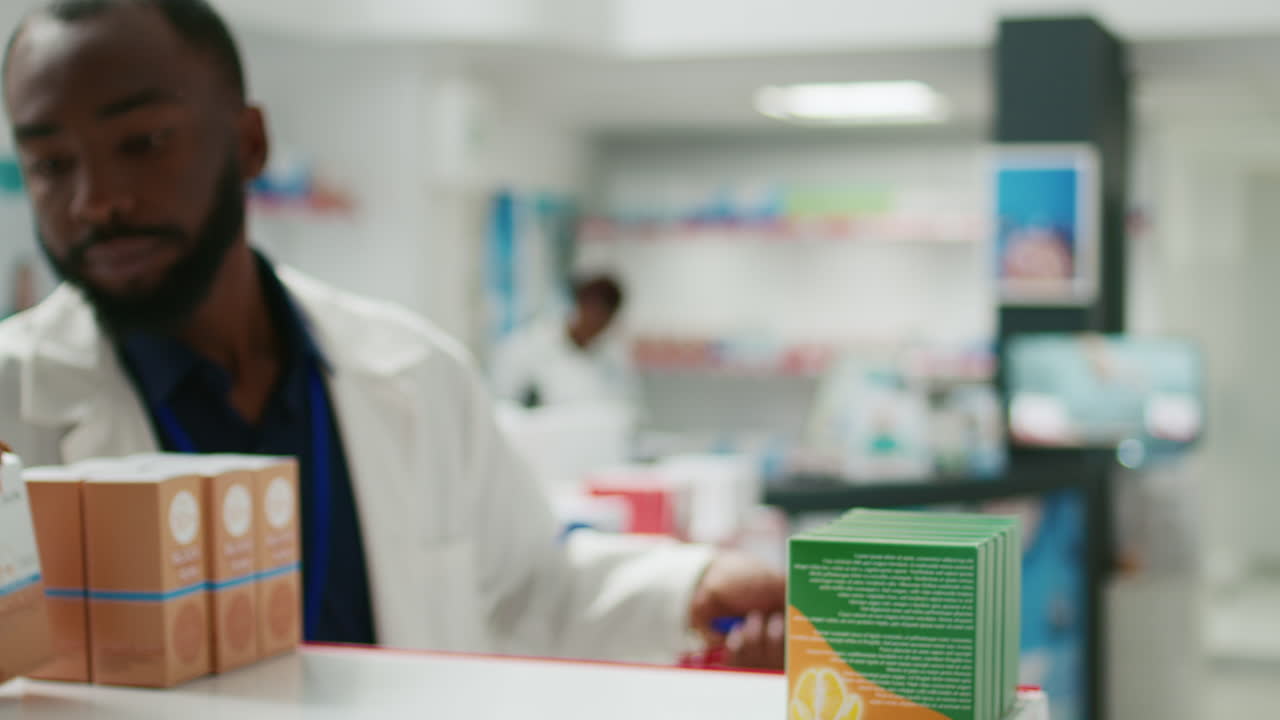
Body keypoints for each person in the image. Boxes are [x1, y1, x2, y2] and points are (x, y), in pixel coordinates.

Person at [0, 0, 784, 668]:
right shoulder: (11, 404)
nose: (95, 200)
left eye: (142, 143)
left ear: (249, 144)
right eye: (50, 164)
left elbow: (529, 586)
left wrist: (694, 587)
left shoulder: (415, 370)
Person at [492, 273, 640, 412]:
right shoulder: (529, 345)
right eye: (593, 310)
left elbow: (628, 407)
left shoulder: (614, 358)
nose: (596, 320)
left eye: (605, 316)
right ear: (579, 305)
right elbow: (505, 403)